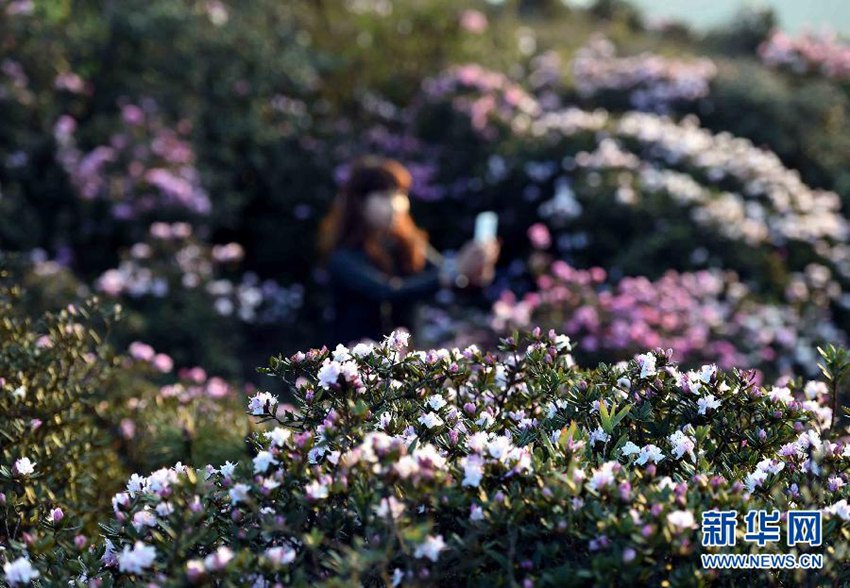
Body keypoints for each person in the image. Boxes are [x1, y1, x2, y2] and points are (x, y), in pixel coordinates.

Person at [317, 155, 500, 347]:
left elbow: (451, 282)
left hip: (407, 363)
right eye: (384, 196)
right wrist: (456, 269)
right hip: (357, 365)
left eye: (400, 194)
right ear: (359, 203)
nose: (396, 205)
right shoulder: (343, 256)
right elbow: (387, 291)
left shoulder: (408, 244)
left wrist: (475, 273)